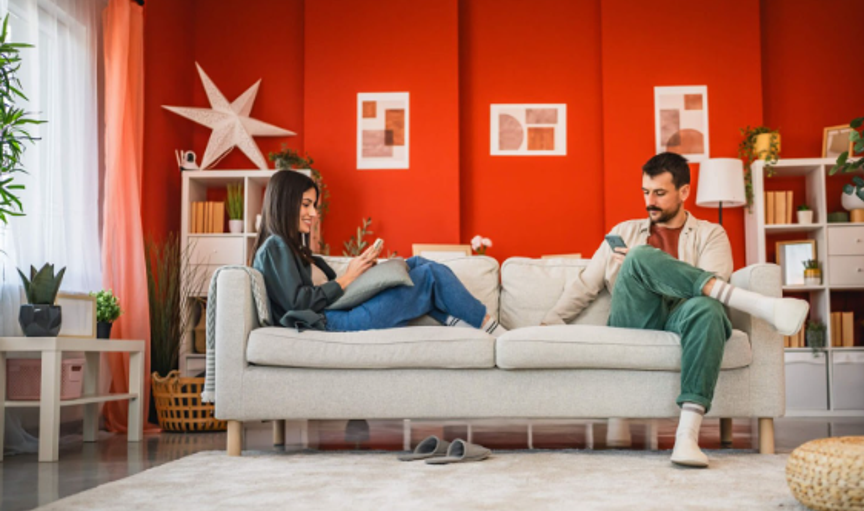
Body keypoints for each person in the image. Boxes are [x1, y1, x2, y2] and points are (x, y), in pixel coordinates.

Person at [541, 152, 808, 468]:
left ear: (684, 192)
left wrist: (652, 267)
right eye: (645, 192)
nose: (649, 201)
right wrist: (550, 324)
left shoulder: (711, 234)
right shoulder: (624, 232)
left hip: (685, 315)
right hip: (635, 318)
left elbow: (715, 282)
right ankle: (758, 306)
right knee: (639, 256)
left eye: (659, 193)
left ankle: (687, 436)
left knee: (708, 309)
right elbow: (586, 284)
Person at [251, 170, 505, 336]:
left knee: (414, 264)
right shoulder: (275, 246)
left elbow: (328, 291)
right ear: (284, 203)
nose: (314, 214)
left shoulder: (294, 250)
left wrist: (364, 273)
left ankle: (456, 321)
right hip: (330, 322)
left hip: (338, 311)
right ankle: (492, 329)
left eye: (314, 206)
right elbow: (298, 303)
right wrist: (347, 278)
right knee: (430, 276)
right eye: (306, 205)